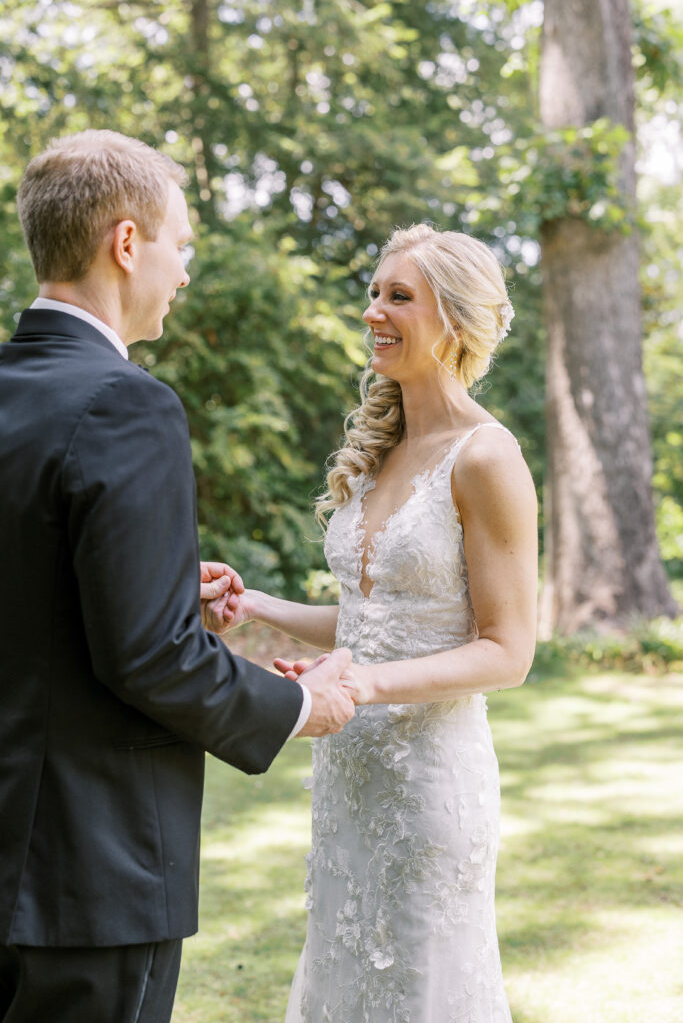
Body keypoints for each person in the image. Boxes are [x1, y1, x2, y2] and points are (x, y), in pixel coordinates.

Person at [0, 130, 355, 1023]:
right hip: (87, 869)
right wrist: (299, 706)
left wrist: (155, 585)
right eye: (181, 244)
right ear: (127, 244)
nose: (184, 271)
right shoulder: (128, 403)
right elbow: (148, 659)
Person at [205, 224, 538, 1022]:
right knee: (343, 974)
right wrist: (250, 604)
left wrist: (362, 681)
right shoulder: (383, 449)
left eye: (398, 297)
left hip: (429, 778)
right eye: (372, 294)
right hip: (348, 772)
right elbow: (368, 621)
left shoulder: (486, 457)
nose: (372, 313)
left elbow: (507, 652)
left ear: (454, 320)